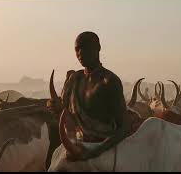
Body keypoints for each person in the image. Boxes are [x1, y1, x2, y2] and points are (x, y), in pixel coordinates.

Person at [48, 31, 128, 160]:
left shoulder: (110, 81)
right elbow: (67, 117)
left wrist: (95, 152)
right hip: (76, 146)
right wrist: (57, 108)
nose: (80, 52)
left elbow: (122, 127)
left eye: (85, 47)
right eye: (77, 49)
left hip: (103, 150)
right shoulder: (74, 79)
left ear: (98, 48)